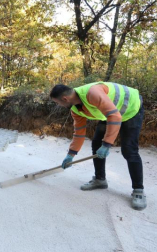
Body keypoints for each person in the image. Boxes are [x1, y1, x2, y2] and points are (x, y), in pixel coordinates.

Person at [50, 82, 146, 210]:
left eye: (58, 103)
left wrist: (107, 144)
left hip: (131, 109)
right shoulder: (75, 109)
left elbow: (115, 116)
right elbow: (79, 133)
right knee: (96, 143)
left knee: (129, 149)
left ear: (65, 99)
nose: (59, 105)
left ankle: (138, 190)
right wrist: (71, 155)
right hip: (111, 112)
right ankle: (100, 179)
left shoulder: (92, 93)